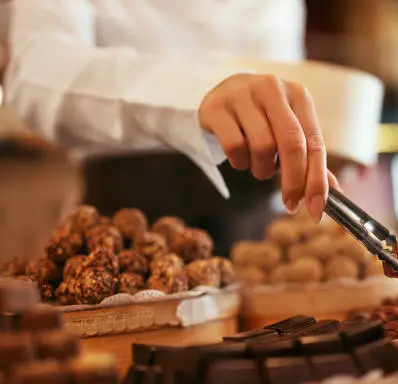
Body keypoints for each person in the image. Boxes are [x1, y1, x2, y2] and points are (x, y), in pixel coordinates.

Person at [2, 0, 343, 220]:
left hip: (262, 225)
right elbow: (36, 70)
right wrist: (196, 94)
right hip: (127, 224)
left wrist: (318, 142)